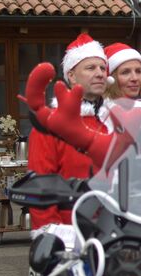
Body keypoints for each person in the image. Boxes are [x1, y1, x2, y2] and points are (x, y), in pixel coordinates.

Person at [28, 35, 109, 239]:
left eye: (102, 68)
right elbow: (41, 185)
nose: (100, 73)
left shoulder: (114, 120)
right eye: (90, 68)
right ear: (71, 76)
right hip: (70, 232)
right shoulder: (50, 124)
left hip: (112, 232)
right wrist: (54, 235)